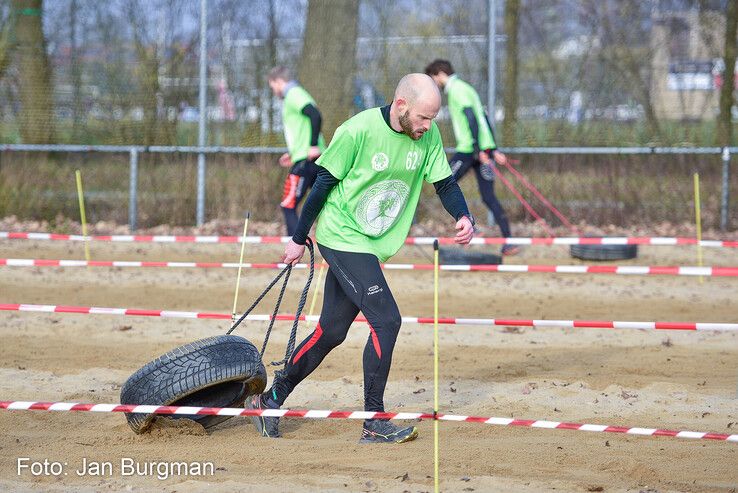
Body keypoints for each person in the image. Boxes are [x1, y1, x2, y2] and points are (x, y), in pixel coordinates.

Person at [247, 73, 475, 443]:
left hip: (370, 244)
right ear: (401, 106)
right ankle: (374, 420)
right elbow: (322, 183)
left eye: (433, 119)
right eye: (422, 117)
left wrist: (463, 216)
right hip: (341, 236)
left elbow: (445, 183)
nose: (428, 126)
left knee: (331, 331)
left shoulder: (427, 135)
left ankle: (269, 400)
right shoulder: (358, 130)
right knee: (387, 320)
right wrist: (298, 237)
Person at [425, 59, 520, 256]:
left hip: (470, 150)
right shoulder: (466, 88)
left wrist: (478, 152)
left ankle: (469, 223)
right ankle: (507, 241)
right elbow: (483, 118)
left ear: (440, 74)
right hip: (482, 149)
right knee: (489, 197)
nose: (435, 84)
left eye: (434, 79)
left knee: (445, 183)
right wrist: (492, 149)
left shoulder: (457, 90)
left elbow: (471, 118)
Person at [267, 66, 326, 235]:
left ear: (278, 81)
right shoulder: (297, 94)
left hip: (308, 161)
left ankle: (292, 258)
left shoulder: (293, 94)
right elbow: (304, 125)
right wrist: (295, 153)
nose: (274, 91)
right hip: (309, 158)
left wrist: (312, 146)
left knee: (288, 205)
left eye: (273, 86)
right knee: (326, 207)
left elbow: (315, 115)